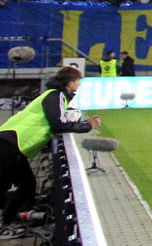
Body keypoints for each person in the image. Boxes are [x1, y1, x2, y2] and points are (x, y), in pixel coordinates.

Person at [1, 66, 99, 235]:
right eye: (78, 81)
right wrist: (86, 126)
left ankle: (9, 221)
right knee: (11, 185)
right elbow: (58, 124)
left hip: (16, 144)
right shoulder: (56, 96)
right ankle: (7, 223)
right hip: (12, 143)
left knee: (27, 184)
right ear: (70, 82)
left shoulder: (57, 96)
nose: (79, 85)